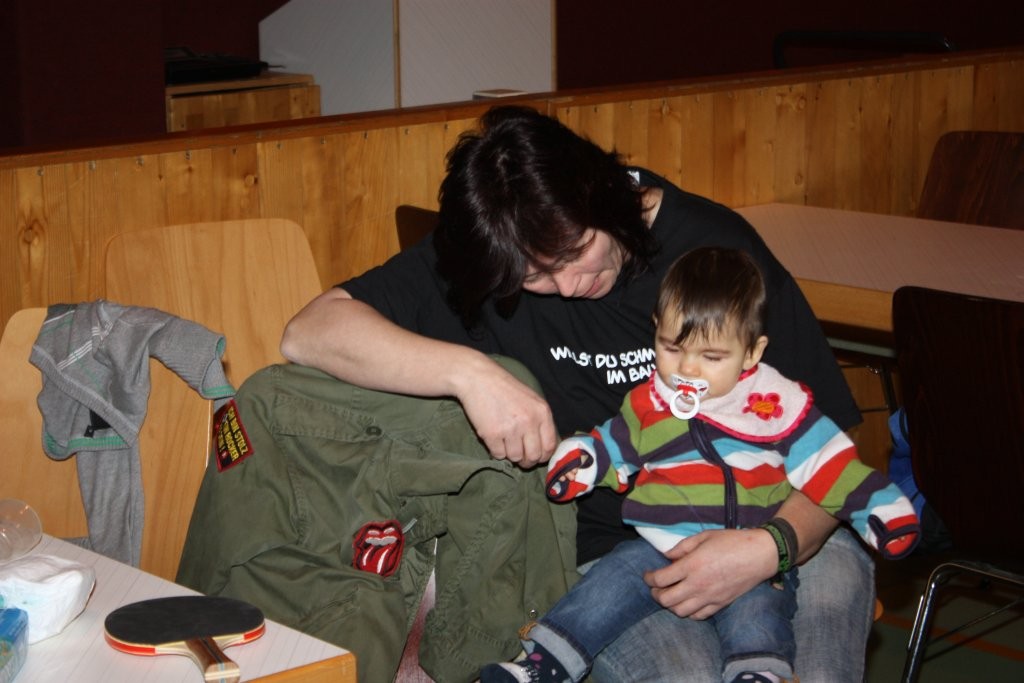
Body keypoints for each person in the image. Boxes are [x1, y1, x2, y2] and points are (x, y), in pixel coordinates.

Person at [278, 104, 874, 681]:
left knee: (816, 669)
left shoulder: (711, 250)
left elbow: (838, 439)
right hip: (621, 549)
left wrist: (767, 549)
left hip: (786, 517)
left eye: (574, 252)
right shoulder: (493, 249)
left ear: (601, 195)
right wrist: (469, 373)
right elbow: (309, 331)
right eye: (534, 275)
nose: (566, 285)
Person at [479, 247, 920, 683]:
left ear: (752, 353)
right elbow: (616, 443)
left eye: (711, 357)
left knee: (759, 612)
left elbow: (830, 462)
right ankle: (546, 662)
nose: (687, 369)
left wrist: (878, 508)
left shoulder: (775, 404)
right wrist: (585, 462)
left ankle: (756, 672)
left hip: (750, 545)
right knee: (606, 587)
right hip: (659, 544)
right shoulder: (650, 401)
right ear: (656, 329)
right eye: (672, 348)